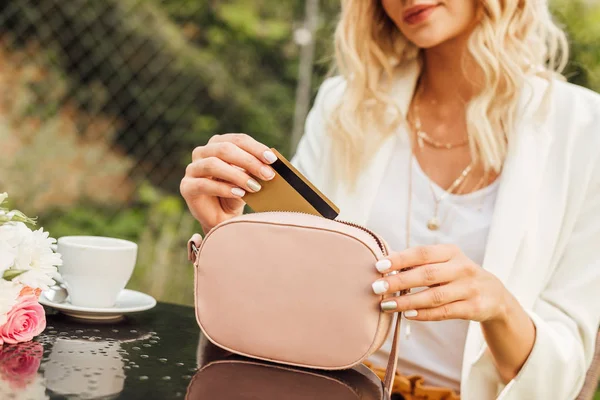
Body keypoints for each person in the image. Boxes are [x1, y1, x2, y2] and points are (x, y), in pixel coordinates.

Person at [180, 0, 600, 398]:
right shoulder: (344, 106)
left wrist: (500, 308)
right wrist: (228, 234)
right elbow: (290, 299)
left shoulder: (583, 130)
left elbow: (562, 377)